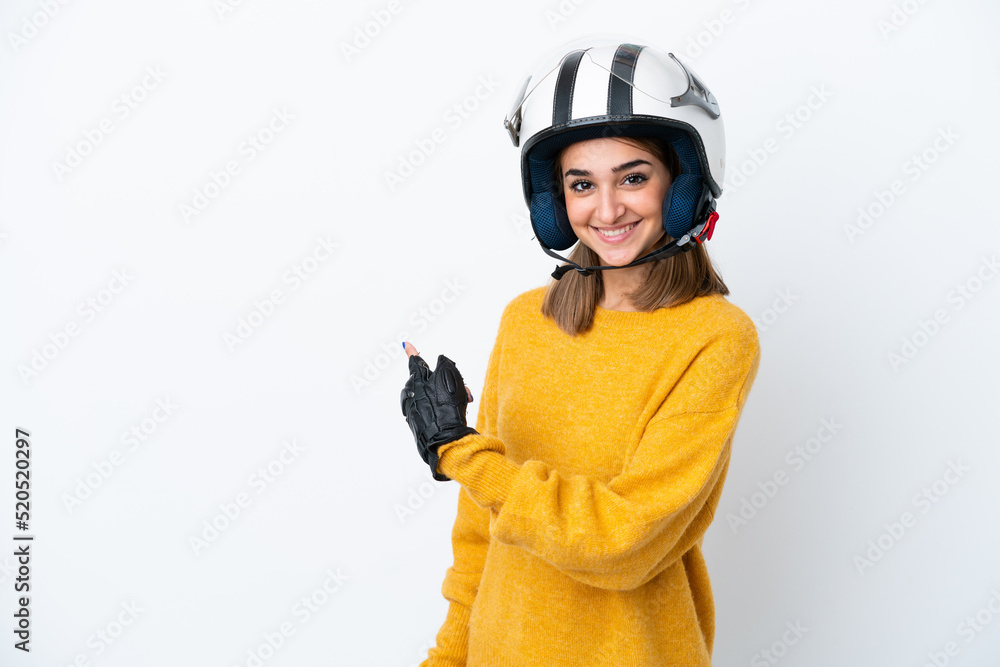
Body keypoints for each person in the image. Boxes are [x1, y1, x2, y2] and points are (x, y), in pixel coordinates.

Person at [400, 37, 761, 666]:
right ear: (555, 201)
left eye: (634, 177)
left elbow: (622, 544)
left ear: (683, 184)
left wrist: (462, 452)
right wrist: (445, 659)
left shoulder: (715, 337)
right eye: (581, 184)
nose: (608, 208)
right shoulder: (524, 323)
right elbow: (481, 534)